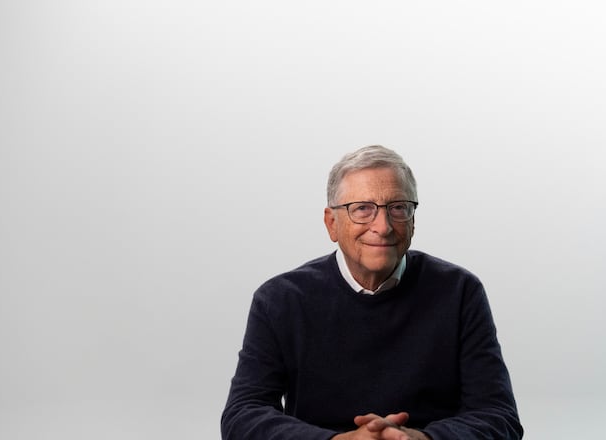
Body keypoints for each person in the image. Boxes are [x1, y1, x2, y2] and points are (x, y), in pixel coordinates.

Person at [221, 145, 524, 440]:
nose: (383, 226)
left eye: (398, 208)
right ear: (331, 224)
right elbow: (242, 415)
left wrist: (423, 438)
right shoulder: (279, 300)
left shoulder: (459, 292)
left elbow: (499, 416)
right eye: (362, 209)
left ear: (413, 219)